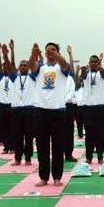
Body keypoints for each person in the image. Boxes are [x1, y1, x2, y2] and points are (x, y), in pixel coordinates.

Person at [29, 42, 70, 186]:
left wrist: (57, 55)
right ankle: (44, 177)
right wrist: (33, 55)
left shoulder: (62, 68)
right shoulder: (40, 68)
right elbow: (32, 66)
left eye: (53, 50)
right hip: (40, 111)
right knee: (42, 146)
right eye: (48, 50)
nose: (50, 52)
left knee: (58, 146)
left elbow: (65, 64)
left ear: (58, 52)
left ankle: (57, 177)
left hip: (58, 111)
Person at [4, 42, 35, 166]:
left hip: (29, 110)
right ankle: (17, 158)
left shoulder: (33, 78)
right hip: (16, 110)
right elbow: (10, 67)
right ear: (18, 67)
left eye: (25, 65)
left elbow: (34, 64)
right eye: (21, 65)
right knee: (17, 136)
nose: (23, 67)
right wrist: (7, 54)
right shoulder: (14, 78)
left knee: (28, 136)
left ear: (28, 67)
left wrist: (33, 54)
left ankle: (27, 158)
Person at [80, 55, 104, 164]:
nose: (93, 63)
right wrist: (83, 70)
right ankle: (88, 157)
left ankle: (100, 156)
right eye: (91, 61)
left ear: (98, 63)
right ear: (89, 63)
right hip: (88, 108)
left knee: (100, 134)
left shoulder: (101, 73)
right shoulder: (86, 74)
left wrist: (101, 68)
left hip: (100, 108)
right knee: (89, 134)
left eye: (95, 62)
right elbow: (82, 77)